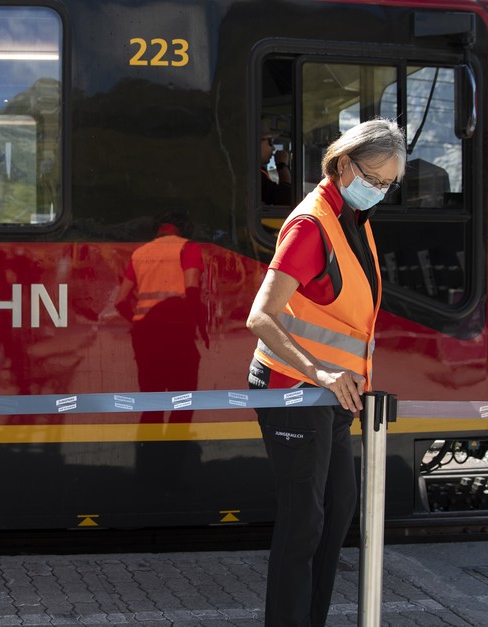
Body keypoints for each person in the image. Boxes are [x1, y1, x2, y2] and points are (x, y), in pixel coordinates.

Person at [245, 118, 405, 627]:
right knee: (305, 524)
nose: (377, 192)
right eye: (373, 180)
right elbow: (260, 316)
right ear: (342, 165)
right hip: (294, 389)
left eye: (387, 185)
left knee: (335, 515)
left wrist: (338, 379)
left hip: (333, 396)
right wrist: (321, 371)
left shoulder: (353, 221)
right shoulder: (311, 226)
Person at [115, 210, 208, 425]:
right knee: (183, 400)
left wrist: (140, 322)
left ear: (159, 229)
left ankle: (148, 453)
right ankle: (174, 453)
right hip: (176, 333)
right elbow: (192, 290)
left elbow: (120, 301)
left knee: (151, 401)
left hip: (144, 335)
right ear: (181, 228)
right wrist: (201, 327)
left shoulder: (140, 253)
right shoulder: (188, 247)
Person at [260, 122, 293, 205]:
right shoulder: (254, 176)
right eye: (270, 142)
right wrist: (282, 165)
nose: (273, 148)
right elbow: (285, 197)